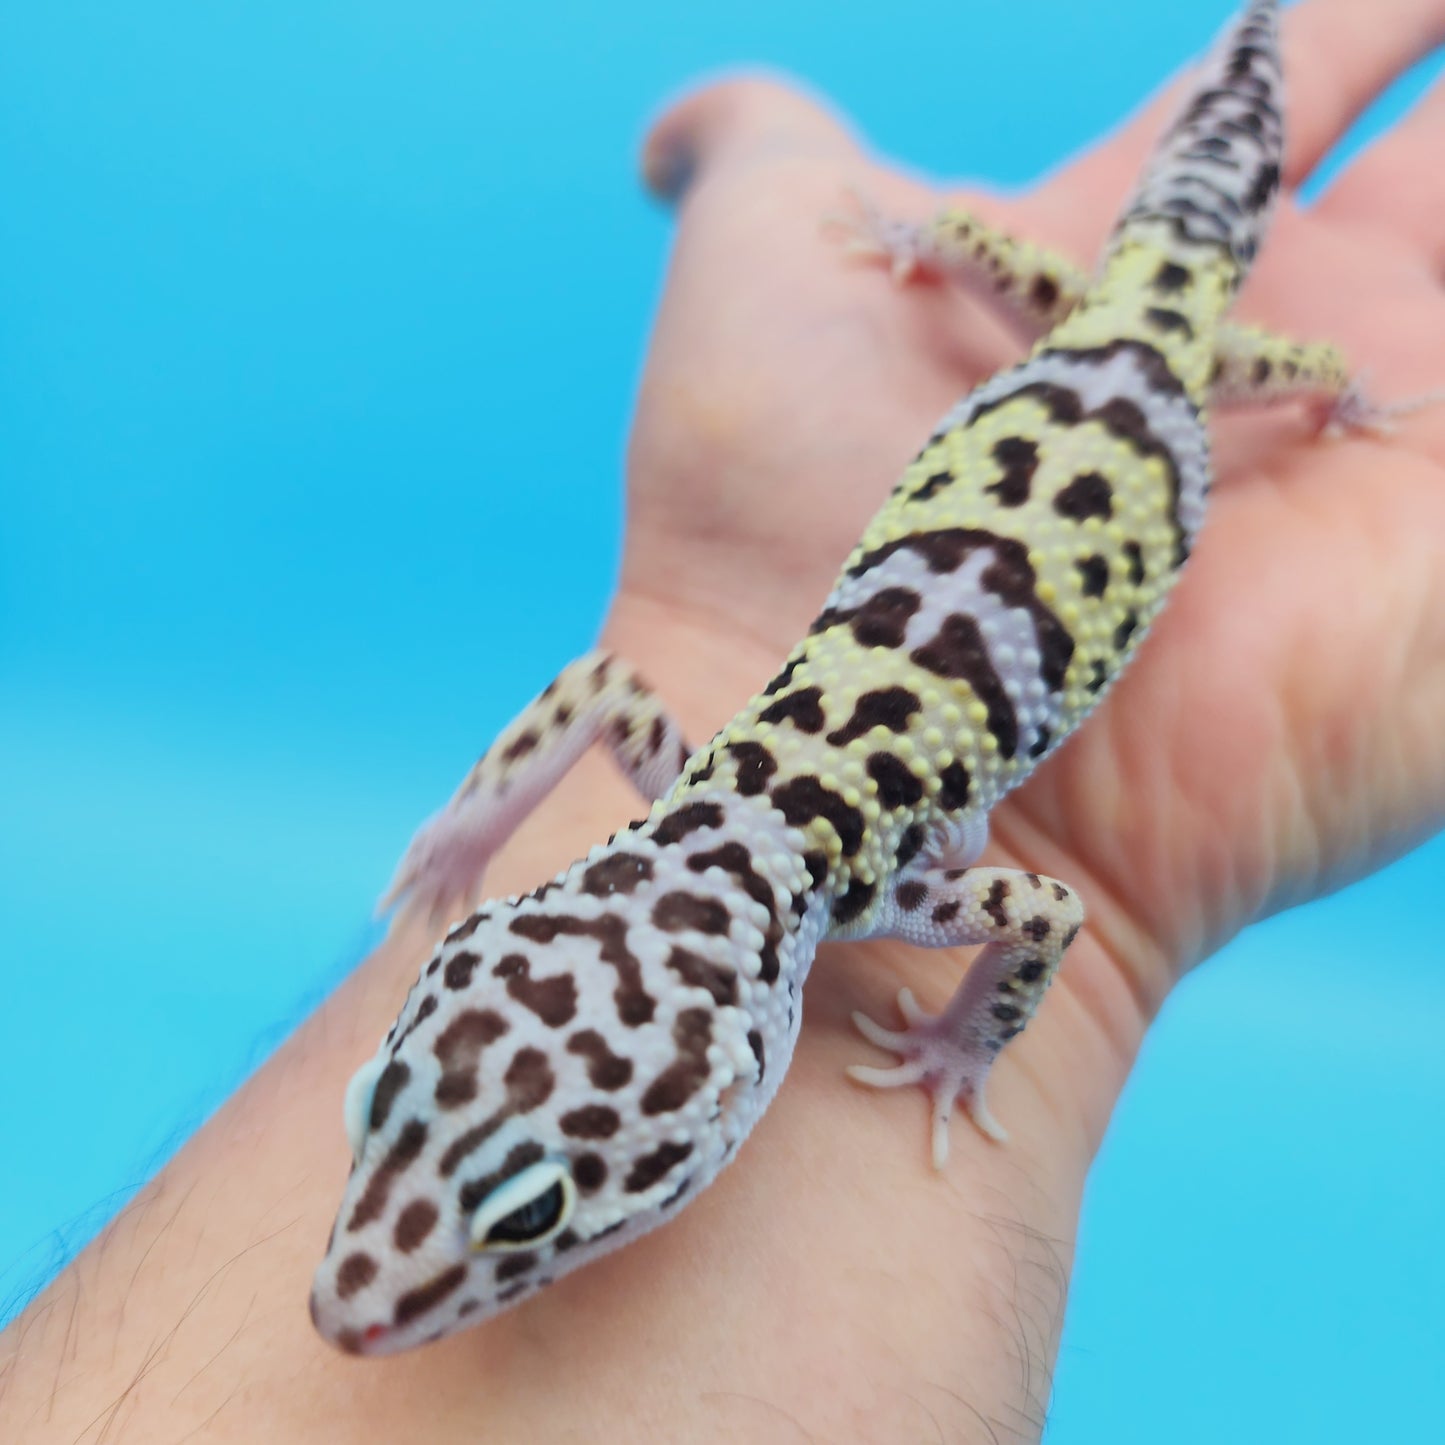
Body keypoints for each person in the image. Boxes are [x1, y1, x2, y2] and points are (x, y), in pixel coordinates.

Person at [5, 0, 1443, 1436]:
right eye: (390, 1103)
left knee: (1213, 339)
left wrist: (968, 1040)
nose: (354, 1299)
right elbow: (606, 697)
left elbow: (1040, 915)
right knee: (1130, 304)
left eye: (526, 1209)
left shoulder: (882, 878)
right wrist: (475, 829)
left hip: (1159, 366)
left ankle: (1291, 312)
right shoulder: (755, 819)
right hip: (1086, 359)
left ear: (735, 1073)